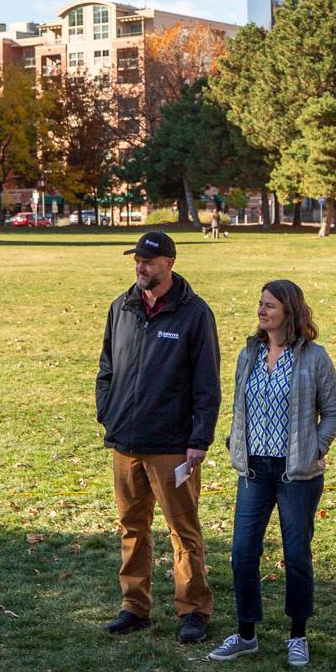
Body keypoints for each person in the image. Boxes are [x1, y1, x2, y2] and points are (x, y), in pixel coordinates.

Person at [206, 280, 336, 667]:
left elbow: (333, 412)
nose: (261, 310)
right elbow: (240, 404)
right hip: (253, 471)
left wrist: (315, 449)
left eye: (270, 305)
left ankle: (297, 635)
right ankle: (246, 634)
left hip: (295, 475)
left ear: (290, 311)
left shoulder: (314, 357)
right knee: (242, 554)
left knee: (296, 555)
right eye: (260, 304)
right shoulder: (249, 353)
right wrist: (236, 441)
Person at [96, 230, 221, 642]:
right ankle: (134, 606)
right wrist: (107, 412)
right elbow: (107, 368)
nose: (140, 267)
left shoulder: (194, 314)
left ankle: (193, 609)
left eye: (148, 261)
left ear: (169, 263)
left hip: (172, 445)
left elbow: (207, 383)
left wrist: (199, 439)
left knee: (183, 530)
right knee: (132, 527)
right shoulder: (121, 307)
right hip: (125, 441)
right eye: (137, 260)